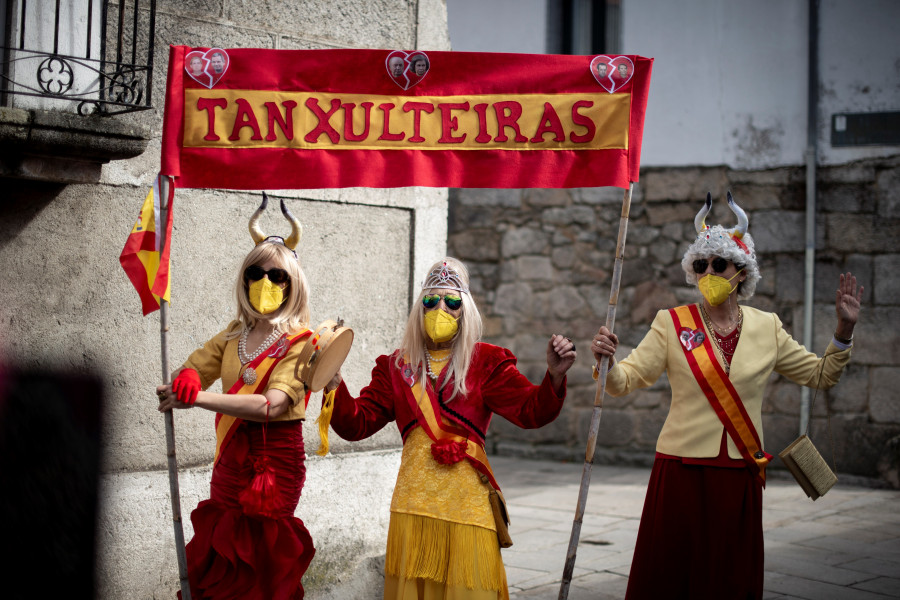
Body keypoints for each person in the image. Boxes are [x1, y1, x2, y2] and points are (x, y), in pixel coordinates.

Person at [591, 192, 863, 600]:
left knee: (728, 578)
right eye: (701, 265)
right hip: (680, 467)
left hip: (738, 472)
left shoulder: (767, 326)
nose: (709, 272)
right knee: (671, 574)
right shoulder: (671, 322)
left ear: (742, 271)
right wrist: (607, 363)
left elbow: (820, 375)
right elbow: (626, 380)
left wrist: (843, 332)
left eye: (719, 264)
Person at [322, 257, 576, 600]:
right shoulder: (396, 367)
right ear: (419, 308)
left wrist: (555, 376)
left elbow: (531, 411)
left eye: (452, 301)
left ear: (464, 310)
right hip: (414, 507)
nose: (440, 308)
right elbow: (357, 424)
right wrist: (333, 384)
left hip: (467, 508)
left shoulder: (487, 362)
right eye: (431, 300)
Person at [157, 195, 317, 599]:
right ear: (244, 279)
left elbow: (271, 405)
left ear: (293, 283)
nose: (266, 282)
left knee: (262, 561)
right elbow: (193, 367)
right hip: (230, 458)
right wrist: (187, 379)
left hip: (274, 461)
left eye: (278, 276)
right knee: (222, 546)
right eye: (256, 273)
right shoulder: (234, 333)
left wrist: (197, 399)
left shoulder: (303, 342)